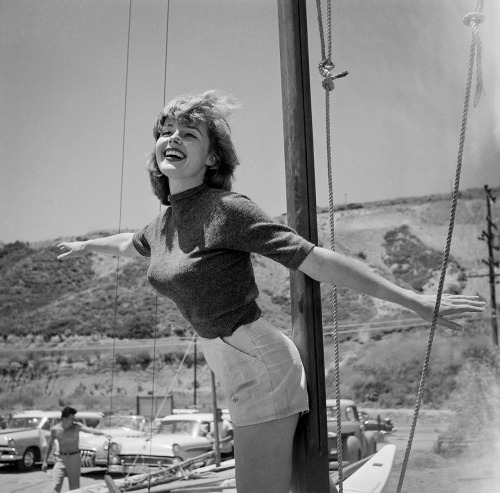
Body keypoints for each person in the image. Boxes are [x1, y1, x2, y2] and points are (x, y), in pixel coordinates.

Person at [56, 90, 485, 493]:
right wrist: (87, 245)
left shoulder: (227, 210)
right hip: (233, 365)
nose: (173, 138)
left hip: (259, 366)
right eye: (167, 130)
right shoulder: (164, 223)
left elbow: (313, 258)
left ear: (211, 159)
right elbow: (132, 244)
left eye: (189, 133)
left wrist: (414, 300)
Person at [42, 406, 109, 492]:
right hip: (61, 459)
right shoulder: (55, 430)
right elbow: (49, 445)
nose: (73, 421)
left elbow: (90, 430)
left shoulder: (76, 427)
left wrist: (103, 433)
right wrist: (45, 461)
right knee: (56, 484)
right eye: (71, 418)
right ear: (64, 418)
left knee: (74, 488)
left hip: (74, 458)